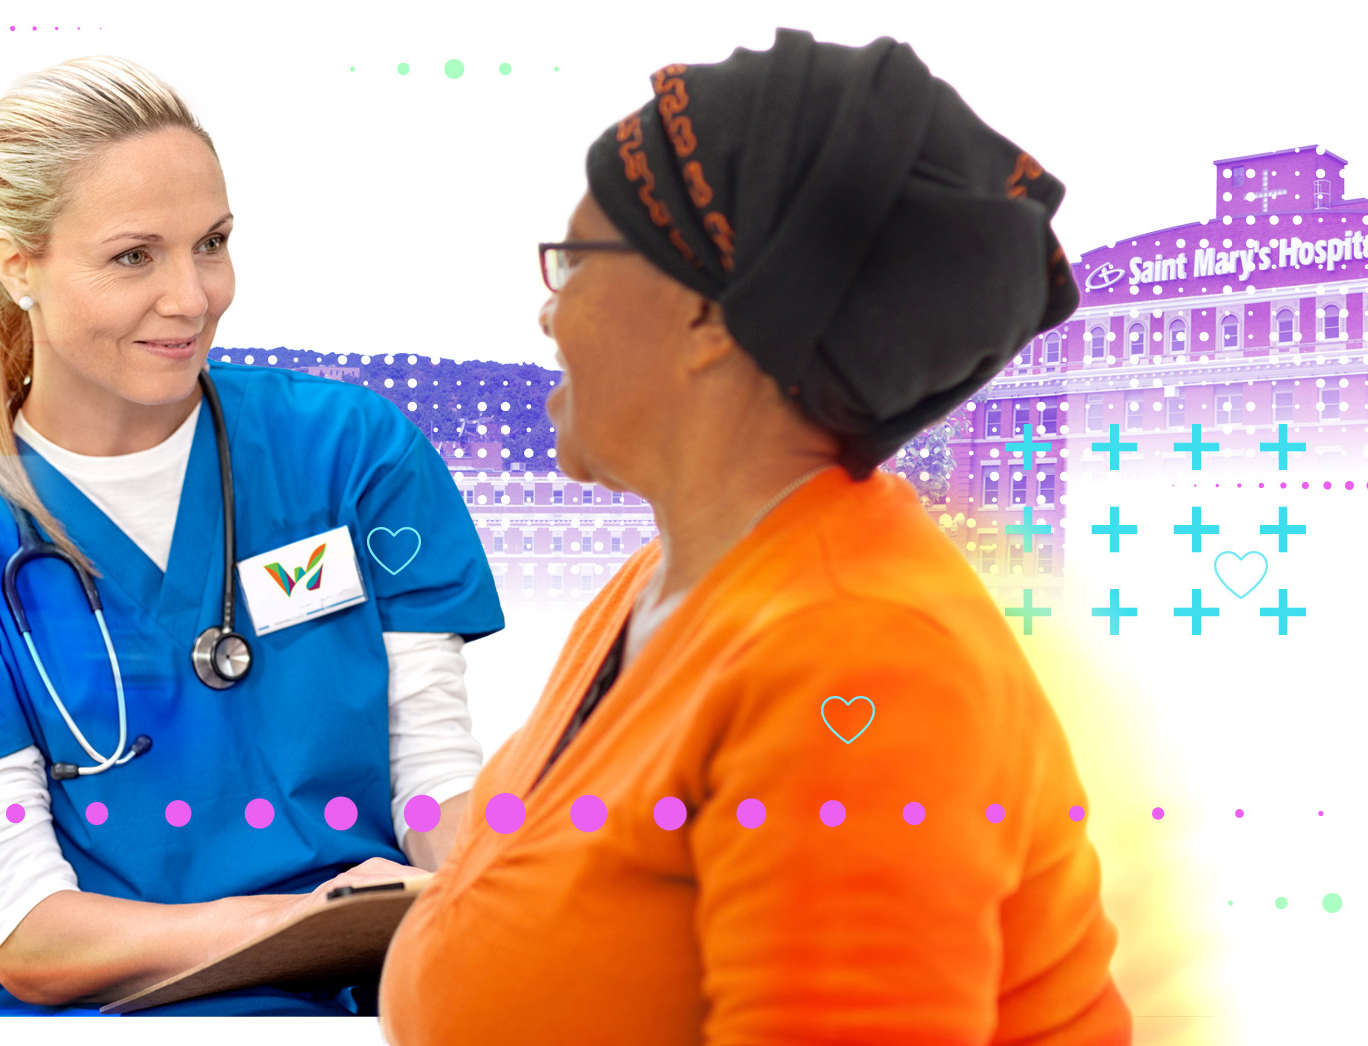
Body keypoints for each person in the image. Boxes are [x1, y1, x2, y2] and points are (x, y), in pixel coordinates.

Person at [380, 29, 1130, 1045]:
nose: (547, 316)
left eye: (579, 262)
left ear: (713, 317)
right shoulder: (665, 583)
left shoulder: (858, 664)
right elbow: (556, 844)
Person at [0, 55, 503, 1017]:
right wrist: (298, 924)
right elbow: (30, 934)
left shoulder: (356, 457)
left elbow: (435, 779)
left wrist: (502, 880)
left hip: (371, 1002)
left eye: (213, 243)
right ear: (15, 261)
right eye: (133, 256)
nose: (193, 298)